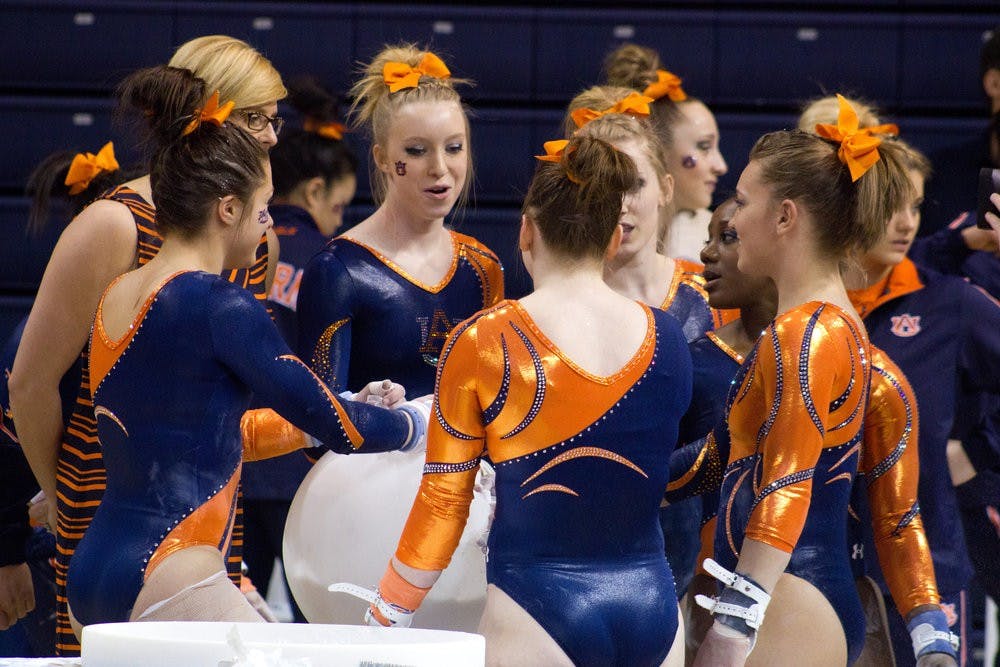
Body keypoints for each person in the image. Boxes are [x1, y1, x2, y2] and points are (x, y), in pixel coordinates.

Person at [63, 67, 427, 635]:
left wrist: (343, 406)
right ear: (227, 210)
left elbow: (210, 435)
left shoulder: (119, 293)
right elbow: (339, 428)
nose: (266, 229)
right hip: (170, 567)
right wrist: (412, 424)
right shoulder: (220, 304)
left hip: (93, 567)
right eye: (262, 211)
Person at [332, 134, 691, 666]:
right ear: (613, 238)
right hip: (654, 607)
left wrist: (389, 611)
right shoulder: (667, 337)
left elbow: (444, 502)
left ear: (525, 230)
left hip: (536, 609)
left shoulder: (485, 340)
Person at [9, 35, 287, 655]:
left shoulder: (257, 241)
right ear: (205, 119)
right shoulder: (116, 224)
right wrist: (60, 492)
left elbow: (228, 407)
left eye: (274, 119)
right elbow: (28, 383)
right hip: (108, 506)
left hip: (205, 513)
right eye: (255, 118)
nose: (271, 136)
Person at [674, 198, 958, 666]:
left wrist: (928, 627)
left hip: (786, 598)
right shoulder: (750, 355)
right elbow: (713, 458)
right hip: (746, 589)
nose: (709, 252)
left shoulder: (848, 363)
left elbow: (888, 514)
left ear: (786, 231)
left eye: (732, 231)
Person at [692, 97, 915, 666]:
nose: (733, 220)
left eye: (743, 202)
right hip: (799, 589)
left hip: (787, 598)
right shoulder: (835, 332)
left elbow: (786, 480)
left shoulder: (807, 332)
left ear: (786, 217)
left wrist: (735, 621)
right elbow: (719, 460)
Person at [812, 107, 1000, 666]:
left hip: (925, 565)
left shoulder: (951, 304)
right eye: (889, 204)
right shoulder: (800, 305)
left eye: (916, 205)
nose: (905, 221)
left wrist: (982, 448)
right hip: (815, 565)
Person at [560, 86, 724, 597]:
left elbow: (742, 431)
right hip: (579, 552)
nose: (618, 203)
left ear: (666, 188)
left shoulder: (713, 297)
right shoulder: (557, 305)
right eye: (599, 185)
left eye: (632, 184)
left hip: (697, 560)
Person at [297, 45, 504, 400]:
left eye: (454, 148)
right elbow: (316, 427)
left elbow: (496, 404)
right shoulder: (339, 271)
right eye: (417, 150)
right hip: (371, 456)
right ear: (382, 158)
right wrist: (365, 412)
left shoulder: (482, 267)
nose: (439, 167)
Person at [243, 75, 359, 623]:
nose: (341, 218)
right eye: (340, 205)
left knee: (225, 619)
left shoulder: (236, 248)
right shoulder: (331, 260)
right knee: (318, 619)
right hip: (298, 465)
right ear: (314, 193)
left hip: (237, 463)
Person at [603, 42, 727, 262]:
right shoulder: (601, 244)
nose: (721, 166)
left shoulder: (704, 244)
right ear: (659, 156)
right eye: (704, 147)